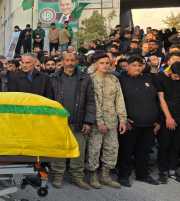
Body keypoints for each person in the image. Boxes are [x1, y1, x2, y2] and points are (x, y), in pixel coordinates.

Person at [49, 53, 95, 189]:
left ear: (77, 62)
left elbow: (91, 101)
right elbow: (48, 100)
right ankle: (58, 176)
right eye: (67, 60)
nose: (70, 63)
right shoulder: (53, 78)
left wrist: (88, 121)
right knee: (59, 150)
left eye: (73, 60)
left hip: (79, 121)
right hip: (58, 122)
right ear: (62, 62)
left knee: (78, 151)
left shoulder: (85, 78)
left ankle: (77, 177)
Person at [116, 55, 160, 187]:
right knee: (126, 151)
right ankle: (123, 176)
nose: (137, 68)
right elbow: (116, 100)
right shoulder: (120, 80)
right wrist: (122, 118)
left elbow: (158, 100)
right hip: (130, 124)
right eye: (134, 65)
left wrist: (159, 120)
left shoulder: (149, 78)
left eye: (140, 65)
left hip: (149, 123)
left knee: (144, 151)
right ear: (127, 66)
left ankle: (142, 175)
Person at [86, 52, 127, 189]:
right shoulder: (91, 79)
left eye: (107, 63)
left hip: (112, 121)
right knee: (94, 149)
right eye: (101, 63)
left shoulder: (114, 80)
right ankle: (93, 175)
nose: (105, 65)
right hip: (96, 122)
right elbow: (93, 102)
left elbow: (119, 100)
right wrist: (100, 122)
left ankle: (105, 176)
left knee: (111, 148)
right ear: (95, 65)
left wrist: (122, 119)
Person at [153, 61, 180, 185]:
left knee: (176, 145)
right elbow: (161, 99)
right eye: (176, 76)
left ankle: (173, 171)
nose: (178, 79)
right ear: (170, 71)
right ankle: (162, 171)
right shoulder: (159, 77)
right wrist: (168, 117)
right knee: (165, 144)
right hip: (165, 116)